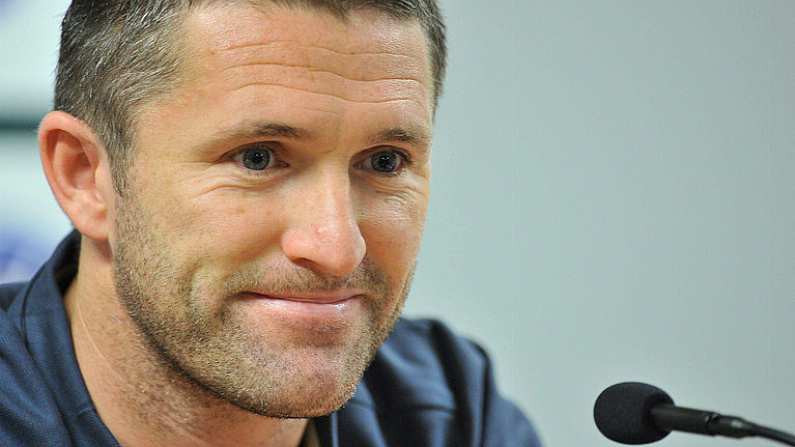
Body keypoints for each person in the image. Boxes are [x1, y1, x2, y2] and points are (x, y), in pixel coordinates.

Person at [0, 1, 542, 446]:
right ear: (84, 176)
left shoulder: (444, 410)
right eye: (257, 158)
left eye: (384, 162)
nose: (337, 247)